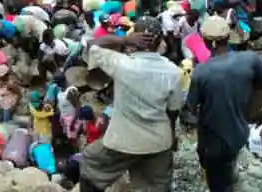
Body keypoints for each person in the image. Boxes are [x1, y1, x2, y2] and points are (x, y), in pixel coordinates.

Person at [77, 17, 183, 192]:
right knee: (158, 184)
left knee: (91, 161)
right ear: (159, 43)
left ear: (136, 39)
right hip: (158, 141)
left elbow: (91, 44)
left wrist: (123, 40)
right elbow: (173, 112)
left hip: (122, 141)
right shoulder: (174, 72)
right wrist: (171, 137)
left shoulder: (121, 64)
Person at [187, 15, 262, 192]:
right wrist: (255, 111)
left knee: (218, 183)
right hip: (240, 133)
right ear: (228, 36)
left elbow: (190, 108)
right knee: (228, 168)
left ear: (208, 42)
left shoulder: (201, 72)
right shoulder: (250, 59)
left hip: (214, 142)